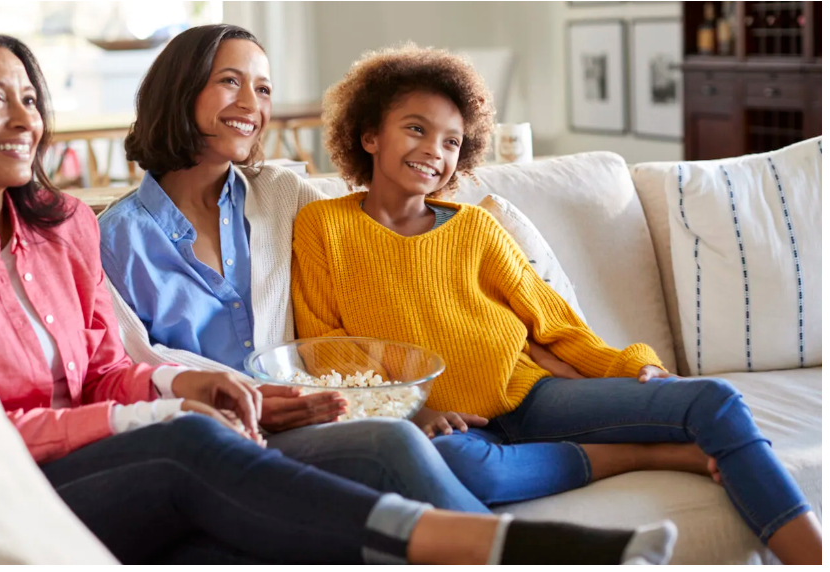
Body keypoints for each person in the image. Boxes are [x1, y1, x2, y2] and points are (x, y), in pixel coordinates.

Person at [0, 31, 679, 565]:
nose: (24, 117)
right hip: (25, 478)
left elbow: (103, 364)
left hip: (211, 434)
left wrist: (178, 387)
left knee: (330, 476)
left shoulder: (59, 229)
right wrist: (153, 415)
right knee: (186, 453)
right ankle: (488, 548)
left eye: (29, 97)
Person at [291, 43, 822, 565]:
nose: (435, 149)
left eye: (452, 141)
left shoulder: (475, 228)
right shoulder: (322, 225)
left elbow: (554, 322)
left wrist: (630, 364)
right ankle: (640, 456)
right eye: (416, 128)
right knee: (471, 473)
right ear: (368, 136)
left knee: (714, 401)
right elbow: (328, 348)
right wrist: (414, 409)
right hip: (447, 425)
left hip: (531, 396)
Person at [98, 23, 591, 516]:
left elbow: (374, 244)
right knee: (404, 450)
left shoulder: (281, 195)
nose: (252, 103)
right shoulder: (112, 240)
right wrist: (256, 398)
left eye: (264, 88)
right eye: (231, 81)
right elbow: (134, 366)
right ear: (181, 91)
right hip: (223, 434)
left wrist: (528, 334)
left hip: (326, 416)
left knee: (441, 455)